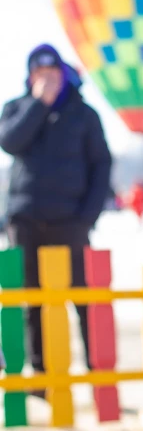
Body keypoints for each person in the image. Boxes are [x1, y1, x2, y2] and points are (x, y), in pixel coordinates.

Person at [0, 44, 111, 373]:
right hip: (26, 220)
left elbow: (101, 165)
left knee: (85, 299)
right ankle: (40, 376)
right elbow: (9, 142)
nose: (48, 80)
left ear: (65, 76)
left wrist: (87, 217)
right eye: (40, 75)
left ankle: (98, 372)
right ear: (31, 77)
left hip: (71, 222)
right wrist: (38, 104)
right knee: (31, 302)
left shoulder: (84, 114)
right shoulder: (18, 107)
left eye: (53, 75)